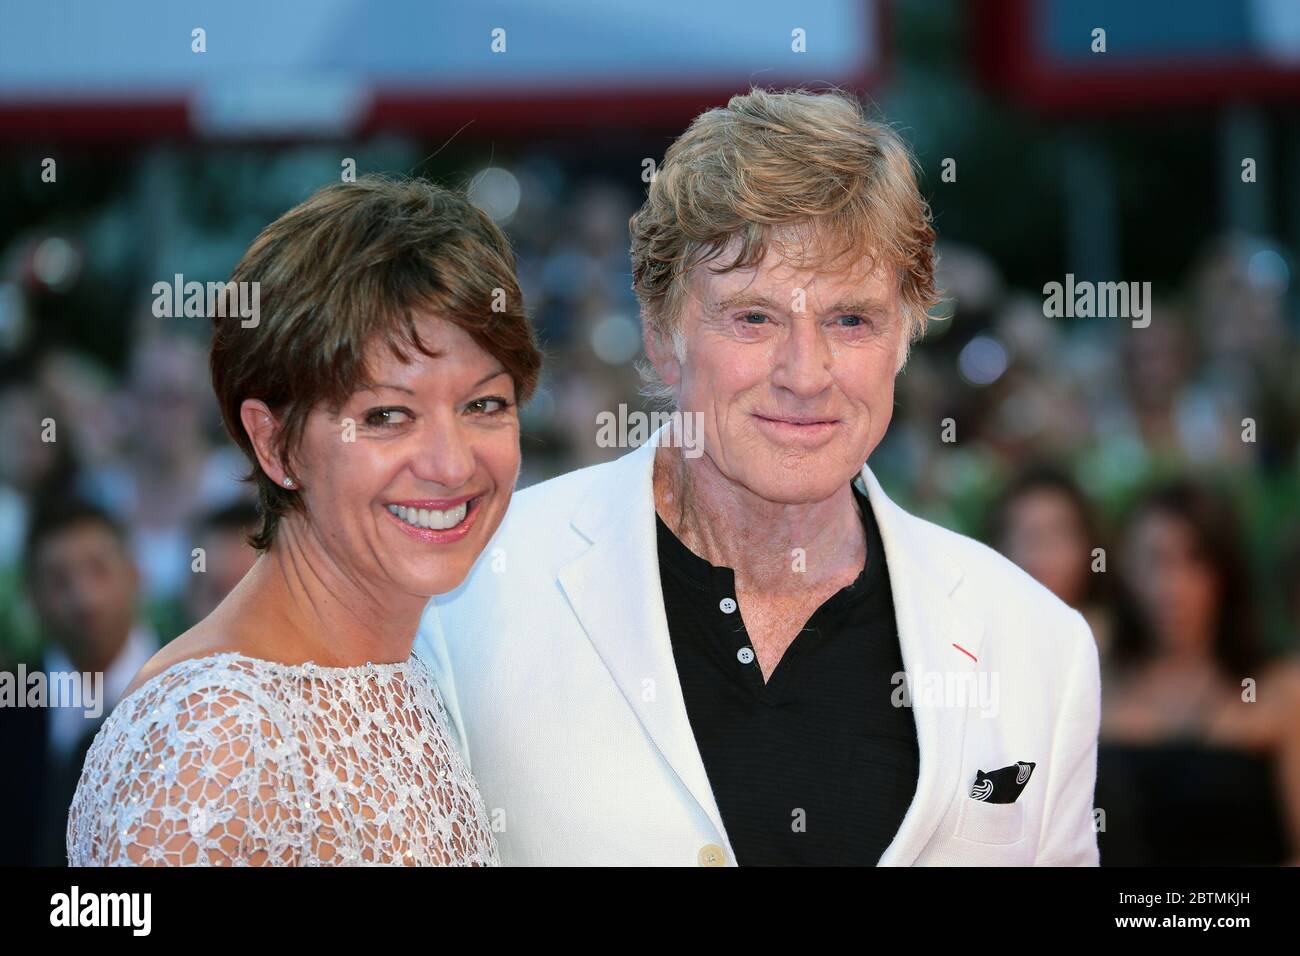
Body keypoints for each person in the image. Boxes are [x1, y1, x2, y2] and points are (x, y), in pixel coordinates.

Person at [419, 87, 1101, 866]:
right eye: (754, 318)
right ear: (662, 336)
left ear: (905, 339)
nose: (805, 374)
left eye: (851, 320)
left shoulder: (1038, 646)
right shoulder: (474, 591)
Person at [65, 174, 540, 866]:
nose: (450, 463)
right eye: (387, 416)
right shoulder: (214, 734)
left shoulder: (402, 673)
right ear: (275, 443)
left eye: (485, 405)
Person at [1098, 480, 1300, 865]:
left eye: (1195, 560)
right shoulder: (1094, 683)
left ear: (1225, 571)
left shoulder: (1281, 689)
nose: (1172, 586)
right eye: (1154, 560)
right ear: (1125, 571)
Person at [0, 500, 157, 865]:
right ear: (32, 597)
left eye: (98, 570)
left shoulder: (193, 690)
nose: (84, 598)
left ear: (135, 574)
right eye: (59, 579)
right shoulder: (10, 702)